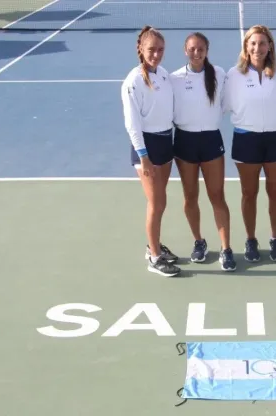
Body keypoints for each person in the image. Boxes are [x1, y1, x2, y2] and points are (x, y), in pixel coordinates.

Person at [223, 24, 276, 263]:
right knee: (248, 193)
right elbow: (223, 105)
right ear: (246, 47)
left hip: (275, 140)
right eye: (253, 43)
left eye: (262, 43)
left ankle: (275, 238)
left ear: (269, 46)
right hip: (245, 139)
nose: (257, 48)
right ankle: (251, 239)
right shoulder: (233, 75)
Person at [169, 32, 236, 271]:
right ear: (185, 50)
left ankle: (226, 249)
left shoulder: (218, 74)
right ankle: (199, 242)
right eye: (192, 49)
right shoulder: (174, 78)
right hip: (184, 143)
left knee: (217, 196)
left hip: (210, 141)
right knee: (190, 197)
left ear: (207, 50)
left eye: (201, 49)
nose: (196, 53)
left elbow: (226, 105)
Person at [121, 25, 181, 277]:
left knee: (160, 201)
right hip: (147, 147)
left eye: (160, 50)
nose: (156, 54)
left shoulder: (164, 74)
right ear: (141, 50)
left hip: (166, 143)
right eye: (151, 50)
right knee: (156, 203)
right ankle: (155, 257)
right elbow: (132, 124)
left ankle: (153, 245)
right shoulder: (133, 81)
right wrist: (144, 156)